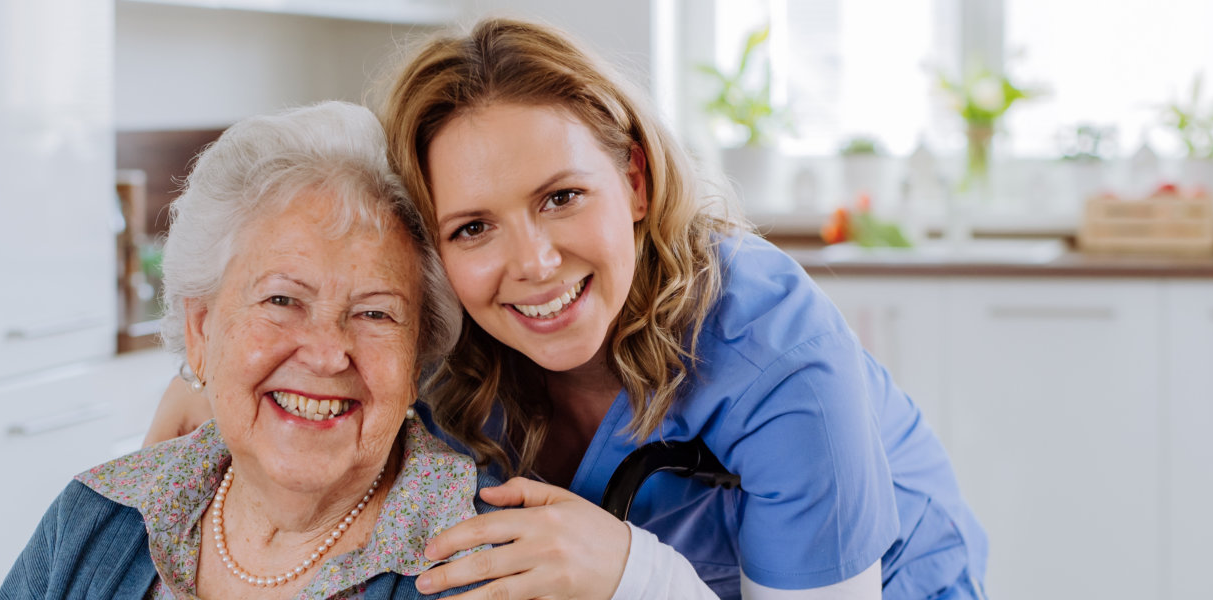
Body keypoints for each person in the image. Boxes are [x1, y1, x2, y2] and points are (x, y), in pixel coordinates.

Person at [149, 18, 988, 600]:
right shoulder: (437, 336)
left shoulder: (772, 352)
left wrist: (635, 577)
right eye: (474, 226)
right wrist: (223, 383)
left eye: (560, 197)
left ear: (632, 181)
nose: (534, 266)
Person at [3, 101, 492, 600]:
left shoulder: (492, 566)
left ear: (416, 359)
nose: (326, 355)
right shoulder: (94, 517)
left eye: (375, 313)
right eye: (282, 300)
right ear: (200, 330)